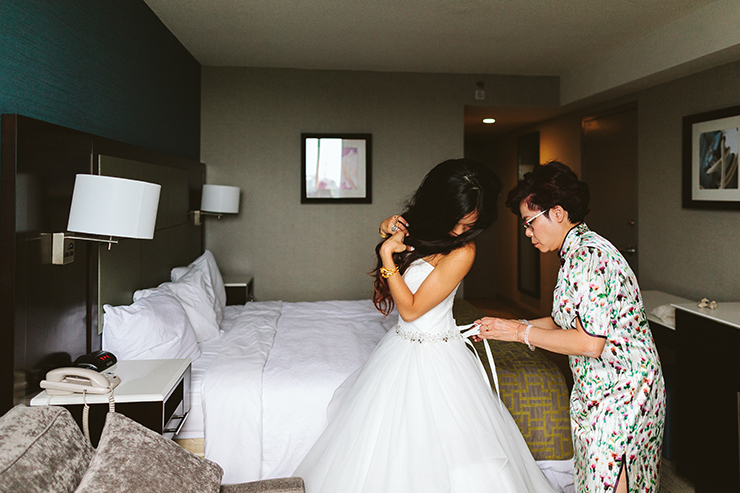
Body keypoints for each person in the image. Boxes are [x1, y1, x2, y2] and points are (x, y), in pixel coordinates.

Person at [294, 159, 554, 492]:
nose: (462, 231)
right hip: (401, 347)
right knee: (385, 447)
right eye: (458, 222)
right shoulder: (424, 228)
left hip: (437, 355)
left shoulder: (464, 251)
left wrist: (388, 257)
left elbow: (411, 309)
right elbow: (391, 230)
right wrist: (387, 227)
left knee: (448, 451)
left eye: (469, 224)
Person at [475, 161, 665, 493]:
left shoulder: (590, 256)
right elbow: (567, 320)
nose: (527, 233)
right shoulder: (575, 254)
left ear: (558, 213)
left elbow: (591, 343)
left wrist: (519, 333)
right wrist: (510, 325)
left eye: (530, 223)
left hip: (623, 392)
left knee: (610, 482)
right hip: (601, 389)